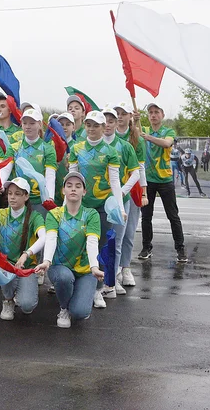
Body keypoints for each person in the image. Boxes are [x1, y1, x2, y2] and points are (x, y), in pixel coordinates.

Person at [68, 110, 127, 306]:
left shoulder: (110, 152)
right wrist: (65, 205)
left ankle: (97, 289)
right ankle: (76, 284)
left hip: (102, 206)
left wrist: (119, 207)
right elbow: (72, 178)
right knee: (77, 243)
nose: (92, 129)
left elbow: (115, 181)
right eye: (89, 125)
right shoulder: (76, 148)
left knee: (102, 246)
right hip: (80, 205)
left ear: (104, 128)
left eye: (96, 125)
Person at [35, 172, 103, 328]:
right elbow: (51, 238)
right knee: (64, 278)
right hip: (61, 267)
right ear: (63, 190)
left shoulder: (91, 214)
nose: (73, 189)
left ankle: (80, 297)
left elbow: (92, 242)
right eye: (69, 186)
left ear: (84, 192)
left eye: (78, 186)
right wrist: (47, 261)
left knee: (80, 313)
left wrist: (94, 267)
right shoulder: (55, 214)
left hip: (86, 270)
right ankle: (64, 308)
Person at [0, 177, 46, 320]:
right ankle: (8, 299)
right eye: (10, 193)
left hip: (26, 267)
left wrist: (26, 254)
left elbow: (44, 238)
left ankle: (20, 293)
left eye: (18, 194)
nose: (12, 197)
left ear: (26, 196)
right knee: (4, 268)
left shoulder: (34, 216)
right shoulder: (0, 215)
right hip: (5, 266)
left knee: (27, 305)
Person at [135, 102, 187, 263]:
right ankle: (146, 247)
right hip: (147, 180)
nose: (153, 115)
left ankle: (180, 249)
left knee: (173, 216)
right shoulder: (144, 130)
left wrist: (147, 137)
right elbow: (134, 135)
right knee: (146, 216)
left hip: (165, 179)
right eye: (150, 112)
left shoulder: (168, 131)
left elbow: (166, 143)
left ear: (162, 115)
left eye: (156, 112)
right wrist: (135, 121)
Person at [101, 106, 142, 294]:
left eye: (112, 121)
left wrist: (123, 192)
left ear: (116, 123)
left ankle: (112, 280)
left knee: (116, 241)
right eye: (105, 121)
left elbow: (136, 173)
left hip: (119, 201)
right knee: (98, 240)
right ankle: (94, 280)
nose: (108, 124)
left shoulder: (125, 146)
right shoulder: (91, 144)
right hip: (97, 201)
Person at [112, 102, 149, 288]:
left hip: (131, 191)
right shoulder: (107, 135)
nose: (119, 116)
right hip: (109, 192)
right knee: (113, 233)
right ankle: (112, 270)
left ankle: (125, 267)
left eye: (123, 113)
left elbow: (140, 167)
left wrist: (143, 192)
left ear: (130, 117)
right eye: (116, 113)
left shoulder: (137, 139)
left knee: (128, 231)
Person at [3, 109, 57, 216]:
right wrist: (0, 183)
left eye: (32, 123)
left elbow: (50, 175)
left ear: (40, 124)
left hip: (39, 200)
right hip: (18, 199)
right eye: (25, 123)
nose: (28, 126)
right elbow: (6, 168)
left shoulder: (48, 149)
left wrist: (49, 197)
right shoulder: (14, 147)